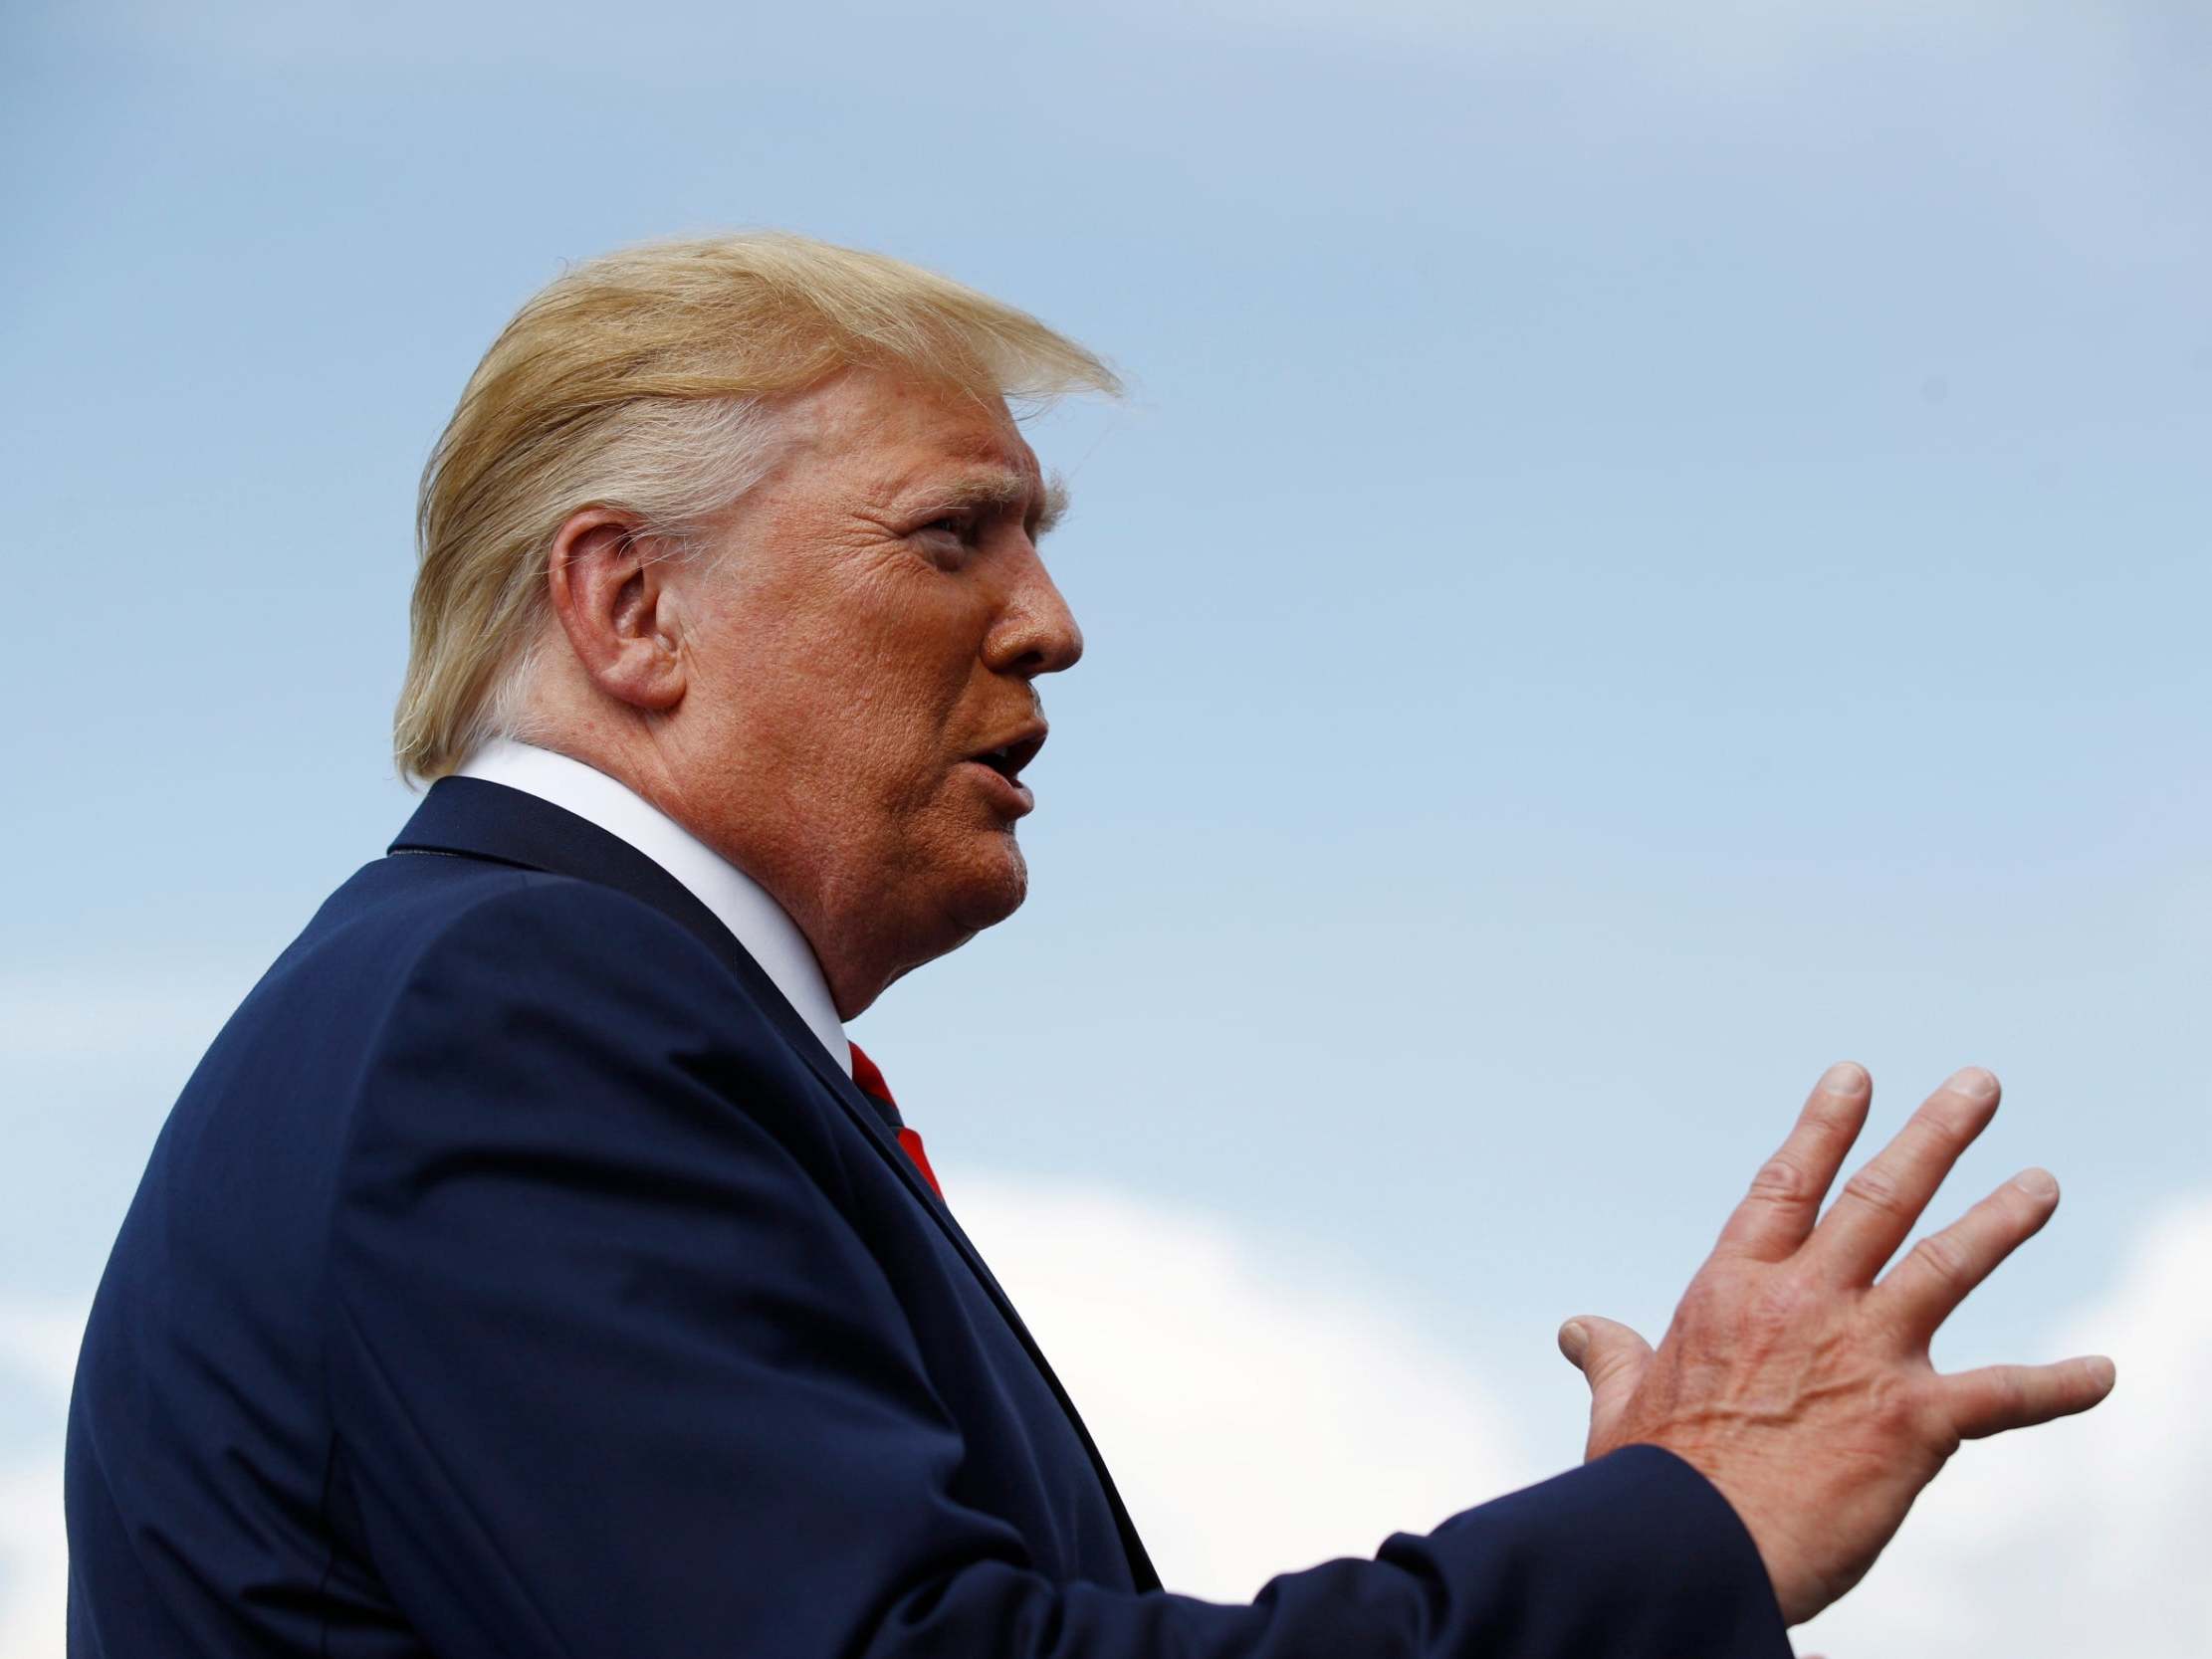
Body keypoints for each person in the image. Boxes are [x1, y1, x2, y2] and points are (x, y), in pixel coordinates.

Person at [64, 232, 2114, 1658]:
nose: (1051, 622)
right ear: (629, 608)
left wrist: (1619, 1557)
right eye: (954, 534)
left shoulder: (537, 1018)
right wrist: (1680, 1535)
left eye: (1040, 543)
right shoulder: (512, 1018)